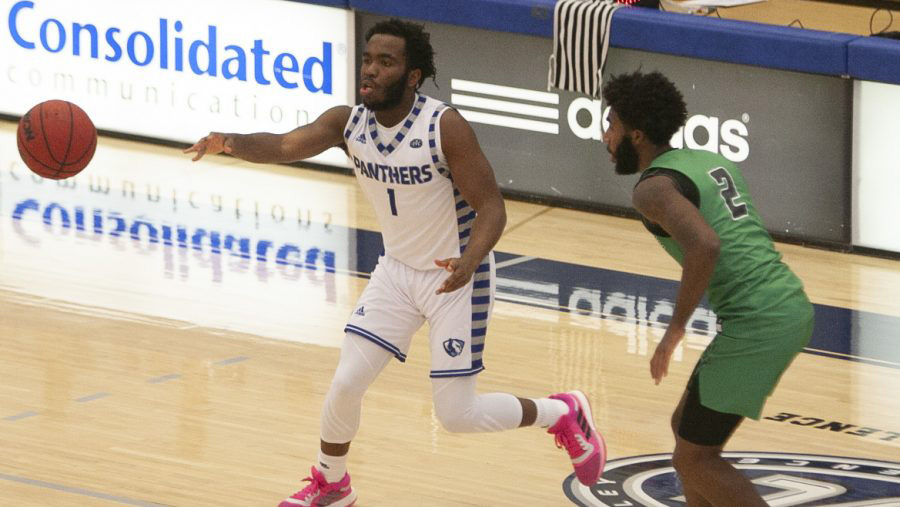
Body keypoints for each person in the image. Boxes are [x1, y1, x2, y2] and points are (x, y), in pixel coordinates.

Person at [185, 18, 605, 507]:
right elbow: (283, 146)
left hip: (455, 276)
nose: (370, 70)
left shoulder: (443, 126)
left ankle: (562, 413)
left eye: (386, 62)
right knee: (345, 384)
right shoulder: (348, 122)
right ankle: (332, 484)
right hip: (396, 274)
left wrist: (469, 262)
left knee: (456, 416)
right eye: (368, 59)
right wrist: (227, 142)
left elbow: (492, 208)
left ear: (412, 75)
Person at [600, 70, 814, 506]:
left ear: (636, 134)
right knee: (685, 431)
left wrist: (674, 330)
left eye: (611, 124)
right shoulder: (705, 160)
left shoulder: (653, 189)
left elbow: (705, 245)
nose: (605, 135)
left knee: (694, 460)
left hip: (759, 322)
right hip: (783, 304)